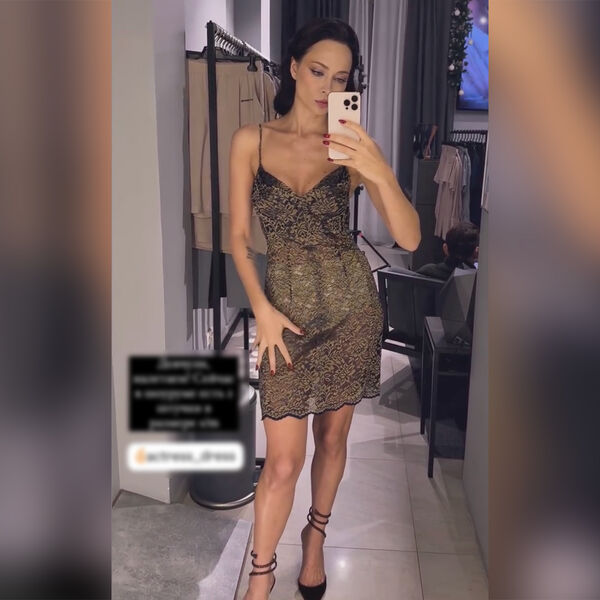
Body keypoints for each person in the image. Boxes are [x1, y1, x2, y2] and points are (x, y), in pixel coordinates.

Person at [229, 17, 420, 600]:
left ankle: (315, 538)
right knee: (282, 462)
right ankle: (261, 577)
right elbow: (238, 239)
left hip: (350, 311)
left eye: (340, 78)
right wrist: (260, 309)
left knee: (333, 443)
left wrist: (378, 167)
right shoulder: (251, 140)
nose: (327, 87)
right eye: (317, 71)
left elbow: (410, 238)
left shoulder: (352, 149)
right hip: (282, 316)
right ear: (293, 67)